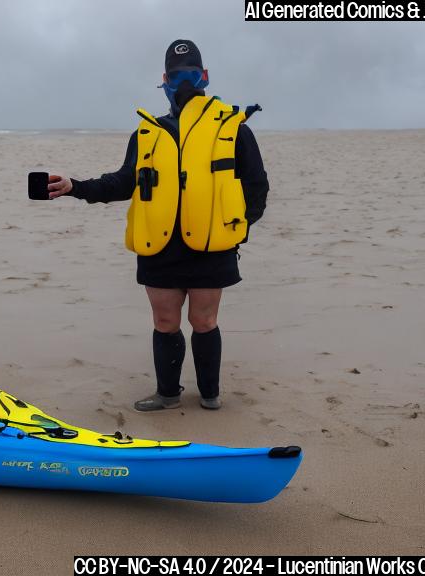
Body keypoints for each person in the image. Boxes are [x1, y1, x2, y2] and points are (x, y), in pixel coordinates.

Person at [46, 39, 269, 412]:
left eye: (192, 73)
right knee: (165, 322)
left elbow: (256, 186)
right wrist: (75, 187)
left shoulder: (233, 128)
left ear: (206, 77)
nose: (185, 81)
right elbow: (122, 182)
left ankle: (210, 394)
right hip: (160, 245)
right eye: (177, 74)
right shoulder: (147, 133)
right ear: (164, 79)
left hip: (212, 246)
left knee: (204, 321)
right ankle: (167, 393)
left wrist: (236, 229)